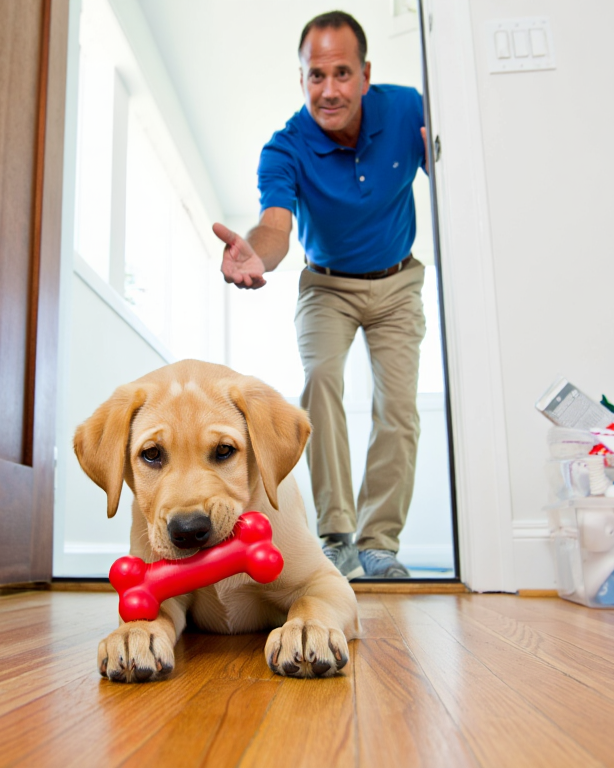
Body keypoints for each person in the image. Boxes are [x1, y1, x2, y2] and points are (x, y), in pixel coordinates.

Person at [211, 11, 428, 579]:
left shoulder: (408, 109)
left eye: (342, 74)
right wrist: (257, 255)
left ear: (365, 74)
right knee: (321, 382)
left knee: (399, 407)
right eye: (316, 75)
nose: (329, 91)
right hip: (327, 286)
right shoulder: (285, 147)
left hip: (398, 282)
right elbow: (275, 227)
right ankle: (338, 536)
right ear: (302, 78)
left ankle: (379, 544)